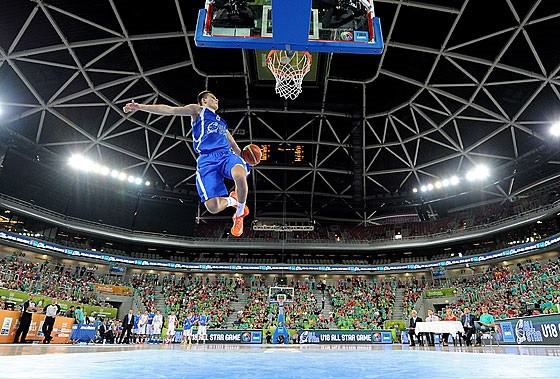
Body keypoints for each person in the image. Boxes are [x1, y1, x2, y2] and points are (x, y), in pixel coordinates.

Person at [123, 91, 258, 237]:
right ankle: (233, 200)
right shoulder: (198, 110)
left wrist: (246, 158)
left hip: (226, 155)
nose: (217, 99)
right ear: (204, 101)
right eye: (213, 97)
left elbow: (234, 145)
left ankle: (239, 214)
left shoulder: (222, 122)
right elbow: (170, 110)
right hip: (207, 160)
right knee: (213, 207)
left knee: (240, 175)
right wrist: (140, 107)